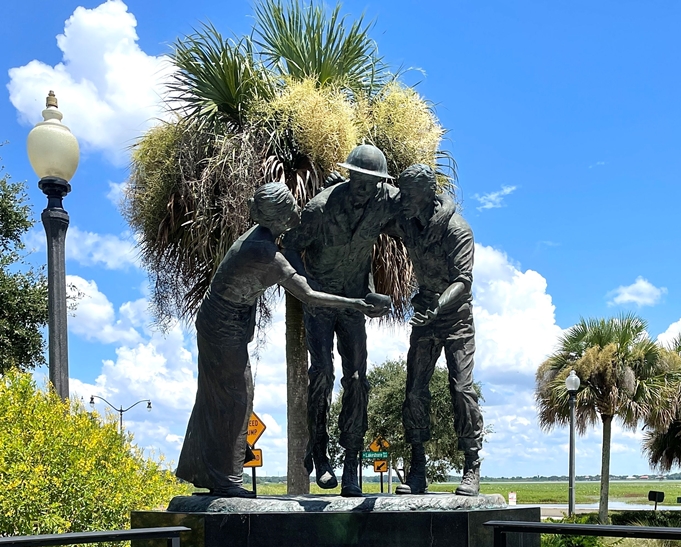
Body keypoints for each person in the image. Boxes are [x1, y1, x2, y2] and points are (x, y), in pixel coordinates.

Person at [176, 182, 385, 498]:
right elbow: (310, 296)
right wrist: (356, 304)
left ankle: (208, 470)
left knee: (217, 397)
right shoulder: (266, 253)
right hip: (222, 327)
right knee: (236, 398)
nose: (298, 211)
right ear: (280, 216)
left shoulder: (260, 238)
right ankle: (227, 480)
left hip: (220, 322)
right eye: (291, 207)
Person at [284, 144, 397, 496]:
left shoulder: (385, 199)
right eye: (359, 181)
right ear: (349, 175)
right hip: (320, 302)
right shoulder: (321, 207)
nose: (365, 189)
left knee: (358, 379)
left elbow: (418, 206)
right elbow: (289, 246)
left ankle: (351, 465)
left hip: (355, 304)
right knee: (321, 375)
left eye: (372, 182)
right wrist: (304, 289)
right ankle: (320, 455)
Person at [388, 164, 484, 496]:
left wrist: (437, 309)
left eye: (410, 196)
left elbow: (463, 281)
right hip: (425, 315)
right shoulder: (407, 218)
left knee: (461, 388)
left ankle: (472, 464)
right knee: (414, 390)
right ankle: (417, 470)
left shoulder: (457, 230)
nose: (404, 202)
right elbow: (377, 204)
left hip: (455, 317)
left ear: (428, 195)